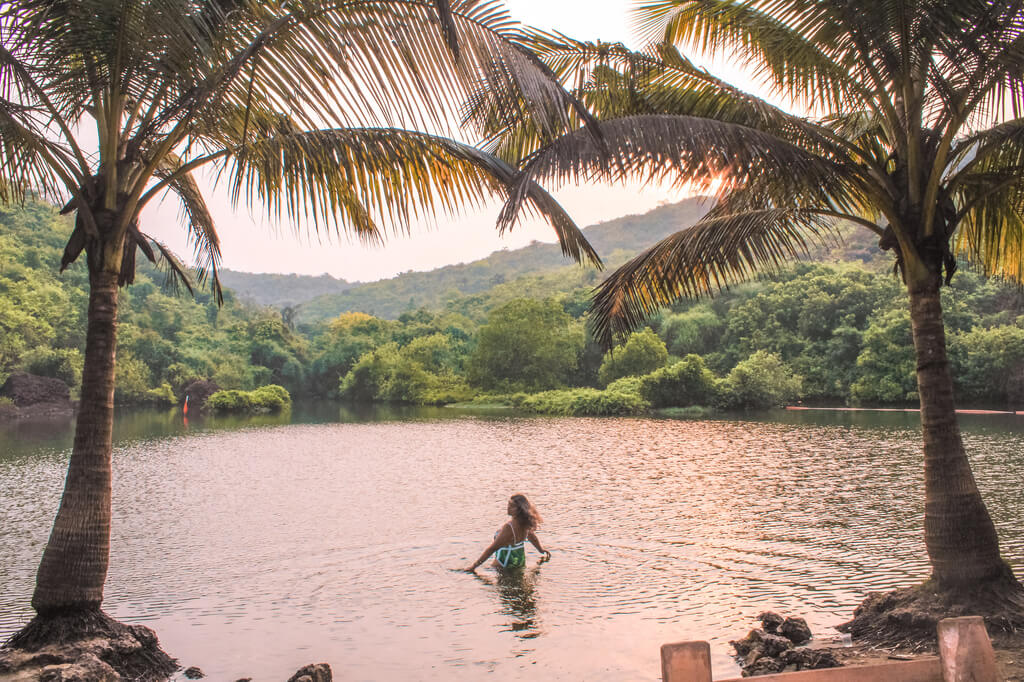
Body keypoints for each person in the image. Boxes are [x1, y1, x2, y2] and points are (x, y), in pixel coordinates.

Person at [467, 494, 551, 571]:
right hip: (519, 560)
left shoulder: (509, 527)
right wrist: (540, 549)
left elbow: (492, 548)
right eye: (508, 504)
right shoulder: (525, 524)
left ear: (519, 510)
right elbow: (532, 537)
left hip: (504, 562)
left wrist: (473, 566)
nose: (508, 508)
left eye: (511, 506)